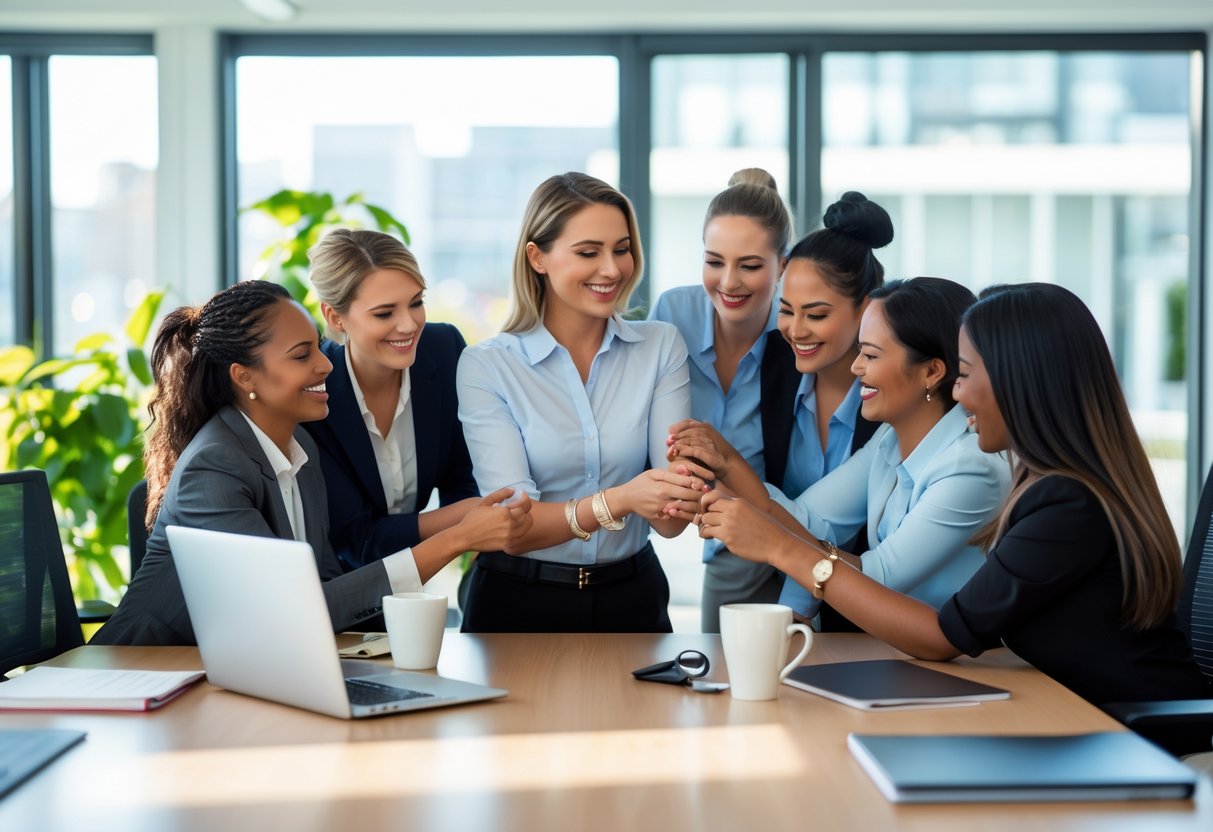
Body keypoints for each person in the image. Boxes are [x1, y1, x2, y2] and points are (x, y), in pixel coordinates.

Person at [699, 282, 1211, 707]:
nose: (959, 395)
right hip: (1071, 715)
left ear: (1020, 383)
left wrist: (779, 548)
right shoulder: (1048, 485)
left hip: (1130, 735)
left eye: (966, 376)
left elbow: (945, 635)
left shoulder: (1065, 504)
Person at [93, 280, 532, 646]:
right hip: (143, 675)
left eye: (319, 349)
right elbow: (295, 611)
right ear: (244, 377)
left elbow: (324, 584)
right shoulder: (216, 465)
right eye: (302, 356)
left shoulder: (299, 446)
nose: (326, 364)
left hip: (237, 669)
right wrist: (455, 538)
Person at [456, 172, 708, 633]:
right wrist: (626, 498)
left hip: (633, 598)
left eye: (622, 248)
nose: (611, 269)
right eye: (589, 252)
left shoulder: (660, 347)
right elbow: (514, 527)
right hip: (515, 603)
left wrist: (675, 497)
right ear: (538, 257)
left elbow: (671, 522)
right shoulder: (486, 366)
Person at [671, 277, 1010, 620]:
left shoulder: (972, 467)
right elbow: (806, 522)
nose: (855, 367)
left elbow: (880, 578)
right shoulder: (887, 440)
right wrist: (727, 464)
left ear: (932, 371)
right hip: (896, 654)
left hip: (963, 664)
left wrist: (776, 545)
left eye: (871, 355)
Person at [652, 181, 888, 632]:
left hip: (857, 579)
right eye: (787, 310)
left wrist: (795, 607)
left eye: (815, 314)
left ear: (865, 312)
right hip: (760, 547)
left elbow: (833, 532)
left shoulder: (882, 401)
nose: (796, 329)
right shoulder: (778, 359)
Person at [303, 229, 480, 571]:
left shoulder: (444, 350)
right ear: (335, 317)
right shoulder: (313, 392)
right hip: (340, 590)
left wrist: (472, 521)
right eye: (384, 313)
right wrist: (467, 519)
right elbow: (356, 538)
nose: (408, 325)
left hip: (421, 580)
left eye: (416, 303)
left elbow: (463, 476)